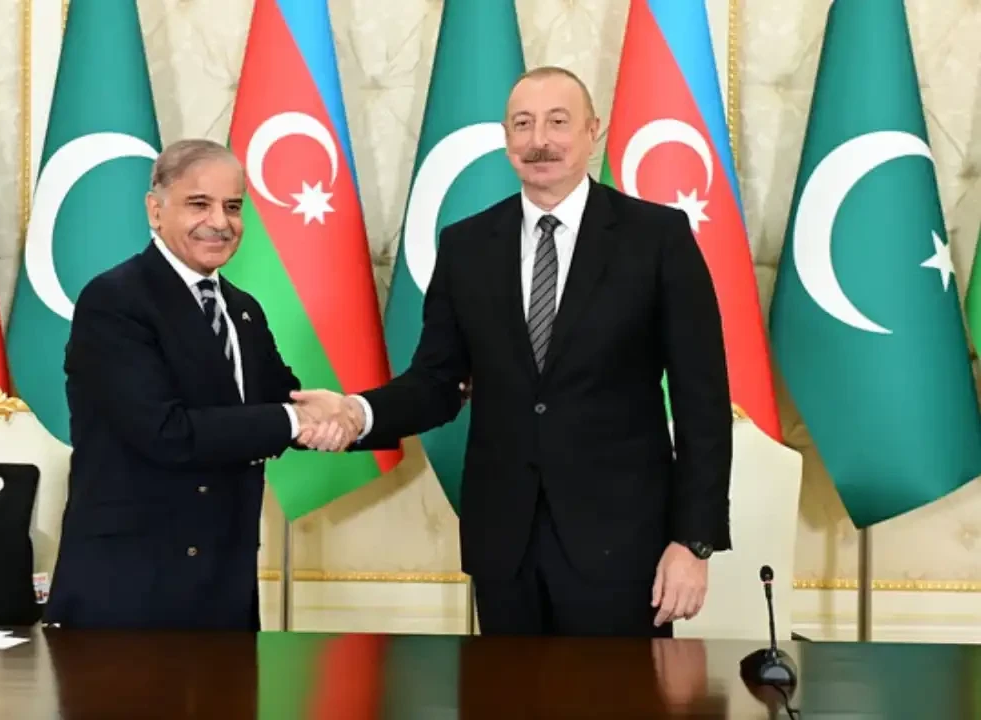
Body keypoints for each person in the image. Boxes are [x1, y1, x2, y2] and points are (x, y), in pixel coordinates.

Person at [293, 66, 732, 637]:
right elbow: (435, 384)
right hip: (505, 545)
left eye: (557, 122)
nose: (538, 140)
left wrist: (692, 542)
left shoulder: (657, 238)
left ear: (591, 131)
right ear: (506, 138)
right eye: (522, 124)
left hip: (624, 547)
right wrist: (358, 412)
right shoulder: (466, 245)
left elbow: (704, 402)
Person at [43, 139, 357, 630]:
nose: (220, 222)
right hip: (132, 584)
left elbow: (286, 403)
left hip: (224, 578)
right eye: (199, 204)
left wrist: (353, 415)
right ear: (155, 209)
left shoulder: (243, 308)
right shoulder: (114, 301)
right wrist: (296, 418)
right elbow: (165, 432)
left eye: (233, 207)